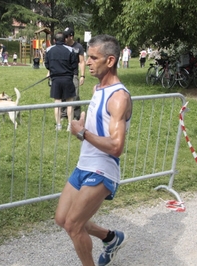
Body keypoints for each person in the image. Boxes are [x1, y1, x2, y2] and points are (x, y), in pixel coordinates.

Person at [55, 34, 132, 266]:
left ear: (110, 61)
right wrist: (83, 132)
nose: (87, 62)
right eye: (88, 57)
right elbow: (96, 133)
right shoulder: (98, 88)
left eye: (93, 57)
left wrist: (82, 133)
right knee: (62, 218)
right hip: (84, 164)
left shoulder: (119, 97)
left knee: (74, 225)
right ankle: (111, 238)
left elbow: (117, 147)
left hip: (102, 169)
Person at [44, 32, 78, 131]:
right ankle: (69, 125)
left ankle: (58, 125)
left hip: (55, 80)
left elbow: (47, 64)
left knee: (57, 103)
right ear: (65, 40)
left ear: (54, 40)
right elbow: (74, 65)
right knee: (69, 103)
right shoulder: (71, 50)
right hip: (67, 79)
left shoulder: (49, 50)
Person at [61, 27, 86, 121]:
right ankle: (64, 115)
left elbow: (82, 61)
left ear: (71, 36)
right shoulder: (62, 46)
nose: (65, 38)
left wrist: (82, 76)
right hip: (63, 75)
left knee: (75, 95)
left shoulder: (78, 47)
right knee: (63, 95)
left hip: (73, 75)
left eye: (66, 36)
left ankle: (76, 115)